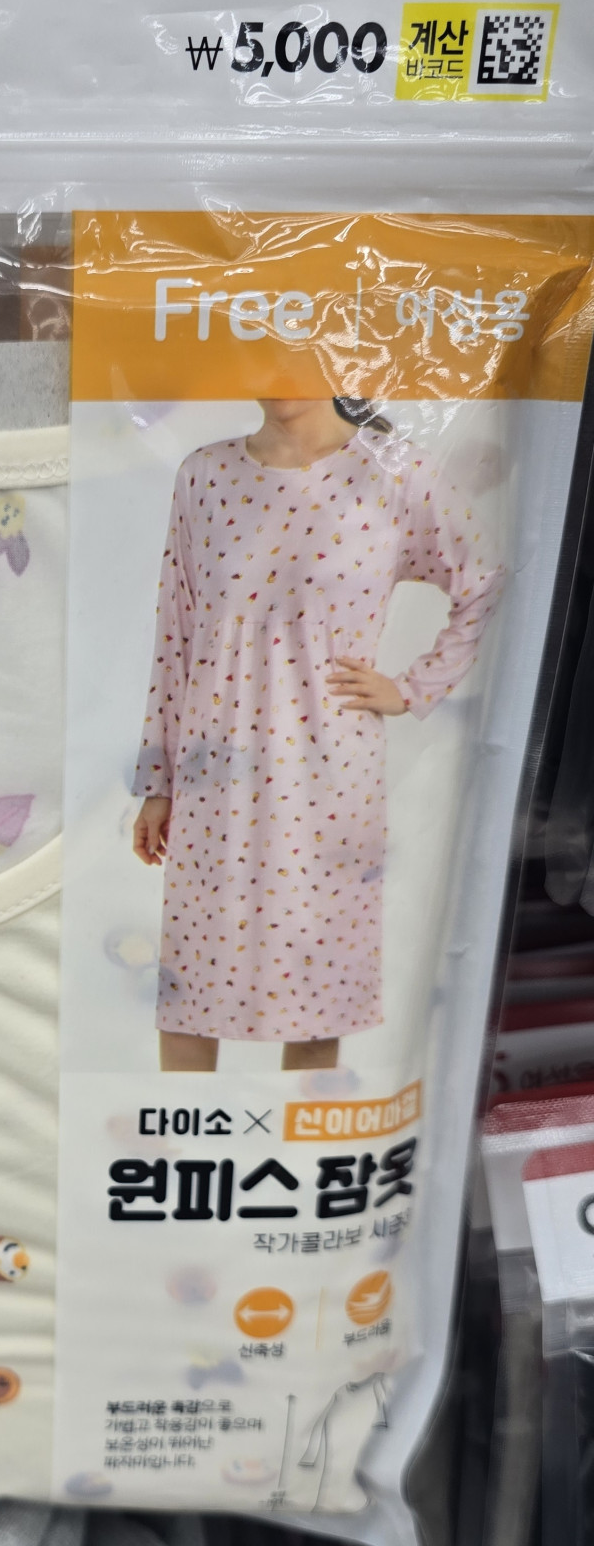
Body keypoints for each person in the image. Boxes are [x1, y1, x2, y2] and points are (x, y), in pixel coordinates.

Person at [132, 397, 503, 1074]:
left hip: (329, 774)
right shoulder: (205, 474)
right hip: (214, 775)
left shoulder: (397, 472)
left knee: (317, 990)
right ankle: (185, 1134)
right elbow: (175, 631)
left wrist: (413, 687)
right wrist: (158, 781)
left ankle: (301, 1138)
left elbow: (484, 580)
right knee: (191, 988)